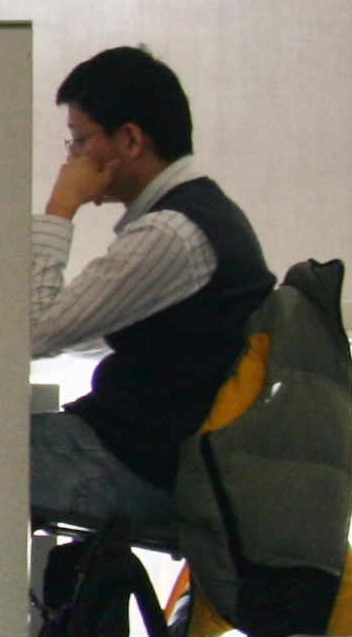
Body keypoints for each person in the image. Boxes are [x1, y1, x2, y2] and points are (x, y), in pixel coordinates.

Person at [30, 45, 272, 534]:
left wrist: (60, 208)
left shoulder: (173, 234)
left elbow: (33, 331)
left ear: (132, 139)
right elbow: (81, 333)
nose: (71, 158)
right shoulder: (205, 213)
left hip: (142, 470)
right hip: (149, 456)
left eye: (79, 140)